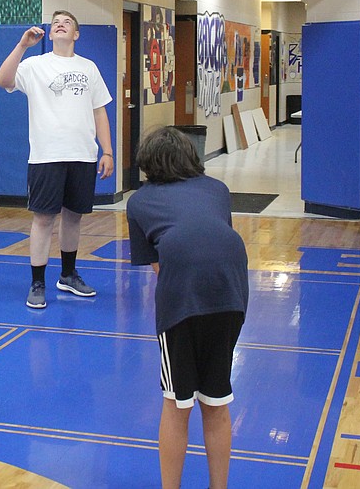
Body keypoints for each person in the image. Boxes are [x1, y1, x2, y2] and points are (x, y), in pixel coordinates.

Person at [126, 126, 249, 489]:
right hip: (232, 293)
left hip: (183, 299)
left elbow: (161, 266)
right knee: (216, 400)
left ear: (148, 165)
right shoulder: (218, 190)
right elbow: (216, 239)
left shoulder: (139, 202)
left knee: (176, 404)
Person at [0, 10, 114, 309]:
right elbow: (2, 79)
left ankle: (69, 274)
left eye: (68, 22)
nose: (61, 24)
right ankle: (37, 281)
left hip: (83, 155)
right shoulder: (34, 65)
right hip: (47, 156)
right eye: (56, 22)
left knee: (73, 216)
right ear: (50, 33)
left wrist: (107, 151)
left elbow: (100, 111)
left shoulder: (89, 68)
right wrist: (22, 45)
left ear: (76, 34)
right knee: (44, 218)